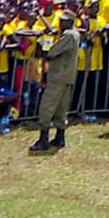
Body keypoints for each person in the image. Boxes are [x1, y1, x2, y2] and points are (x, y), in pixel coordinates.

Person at [32, 20, 81, 153]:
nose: (60, 24)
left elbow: (53, 52)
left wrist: (44, 49)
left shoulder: (68, 35)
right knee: (61, 107)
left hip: (58, 76)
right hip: (67, 76)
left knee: (47, 106)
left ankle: (43, 139)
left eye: (62, 22)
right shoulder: (75, 34)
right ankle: (60, 137)